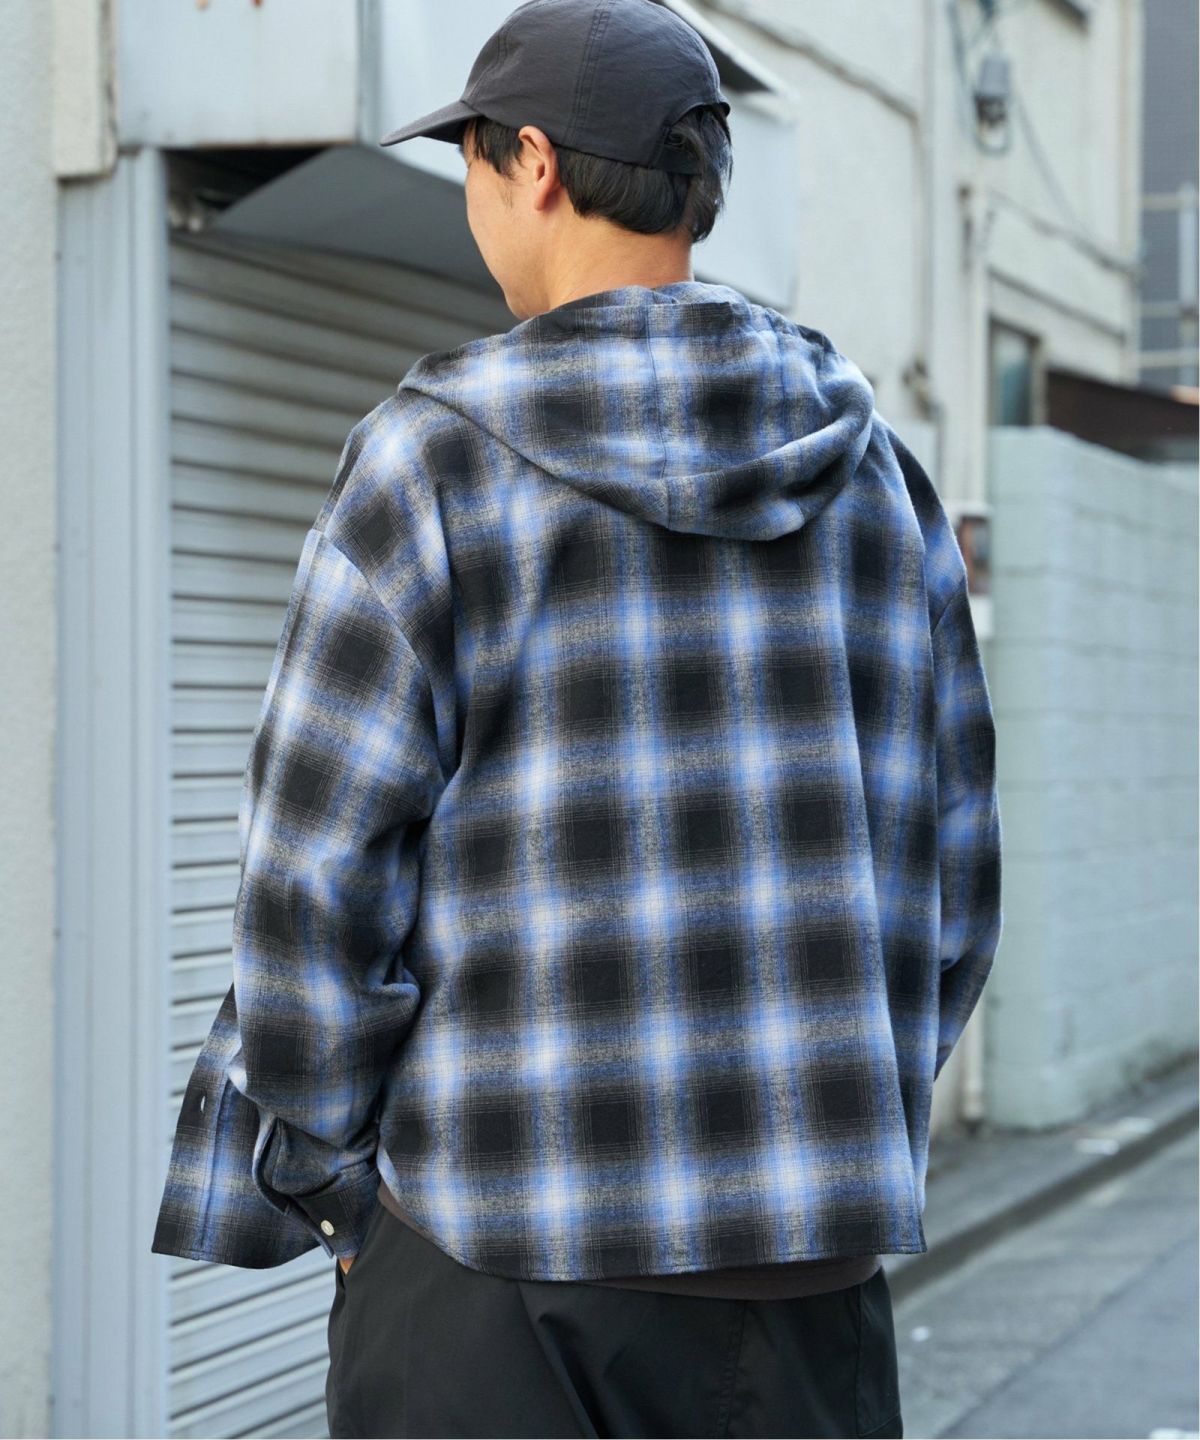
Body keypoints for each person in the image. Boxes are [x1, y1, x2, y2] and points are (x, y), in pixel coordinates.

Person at [152, 1, 1003, 1435]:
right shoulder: (881, 483)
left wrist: (337, 1190)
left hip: (497, 1271)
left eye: (473, 163)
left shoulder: (432, 465)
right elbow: (951, 894)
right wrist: (820, 1134)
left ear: (534, 163)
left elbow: (310, 894)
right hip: (804, 1297)